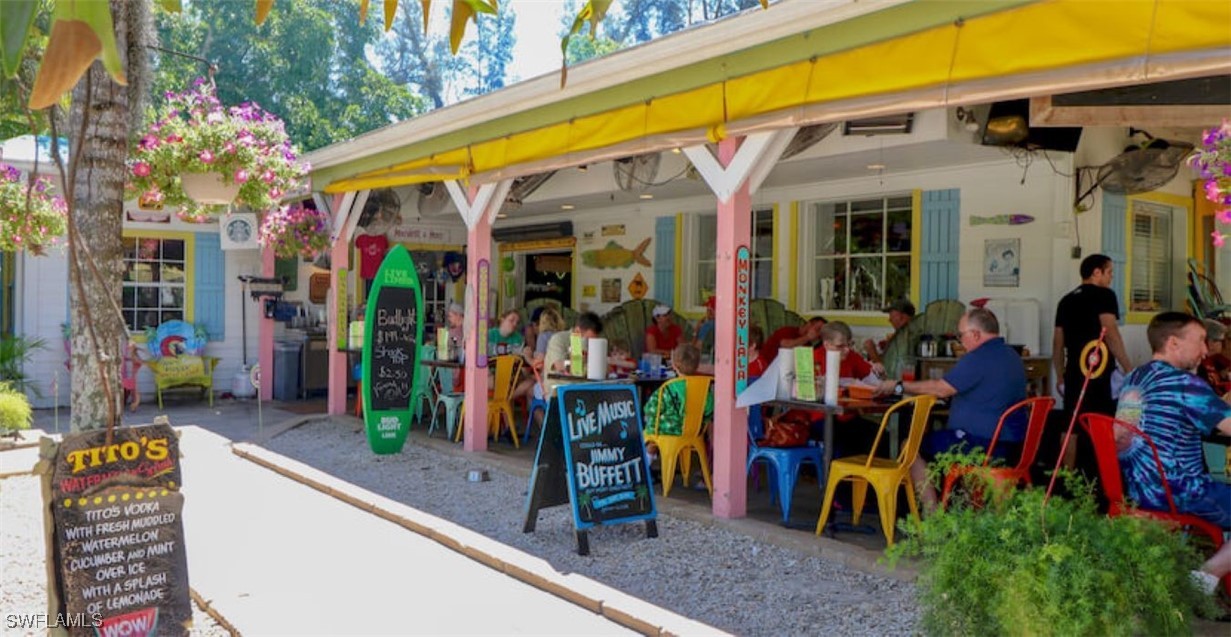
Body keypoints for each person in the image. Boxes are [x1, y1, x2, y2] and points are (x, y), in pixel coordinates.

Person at [1114, 312, 1231, 590]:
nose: (1205, 350)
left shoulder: (1134, 377)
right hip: (1177, 491)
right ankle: (1206, 576)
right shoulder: (1185, 385)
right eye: (1200, 341)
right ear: (1173, 343)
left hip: (1134, 488)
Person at [876, 308, 1027, 510]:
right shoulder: (1012, 356)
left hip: (983, 445)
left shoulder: (977, 358)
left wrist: (898, 385)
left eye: (961, 335)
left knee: (910, 447)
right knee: (947, 442)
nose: (960, 341)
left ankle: (933, 519)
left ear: (975, 334)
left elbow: (941, 389)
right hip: (1013, 444)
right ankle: (964, 510)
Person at [1052, 253, 1133, 466]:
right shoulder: (1105, 295)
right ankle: (1106, 476)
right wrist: (1128, 367)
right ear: (1096, 272)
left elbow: (1058, 342)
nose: (1111, 278)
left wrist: (1060, 375)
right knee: (1105, 423)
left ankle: (1066, 478)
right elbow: (1110, 332)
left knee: (1070, 426)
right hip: (1099, 370)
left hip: (1074, 372)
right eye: (1109, 273)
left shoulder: (1066, 300)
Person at [643, 344, 715, 473]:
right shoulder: (704, 387)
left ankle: (646, 462)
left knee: (651, 429)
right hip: (695, 431)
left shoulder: (669, 387)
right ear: (697, 365)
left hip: (670, 430)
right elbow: (709, 409)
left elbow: (650, 409)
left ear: (674, 365)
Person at [543, 312, 603, 397]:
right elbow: (559, 365)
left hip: (584, 388)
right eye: (588, 339)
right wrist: (578, 349)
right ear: (578, 330)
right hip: (560, 390)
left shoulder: (593, 343)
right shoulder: (559, 339)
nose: (589, 342)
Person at [756, 316, 826, 369]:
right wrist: (808, 337)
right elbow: (785, 345)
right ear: (809, 324)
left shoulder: (807, 345)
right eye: (818, 329)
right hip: (765, 369)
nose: (817, 334)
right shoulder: (787, 331)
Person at [863, 298, 915, 364]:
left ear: (903, 317)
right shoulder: (902, 335)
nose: (889, 319)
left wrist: (872, 351)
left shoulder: (908, 339)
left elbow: (886, 371)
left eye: (892, 315)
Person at [1198, 318, 1230, 393]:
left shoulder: (1212, 361)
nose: (1223, 344)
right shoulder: (1198, 364)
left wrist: (1222, 375)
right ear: (1210, 342)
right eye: (1221, 341)